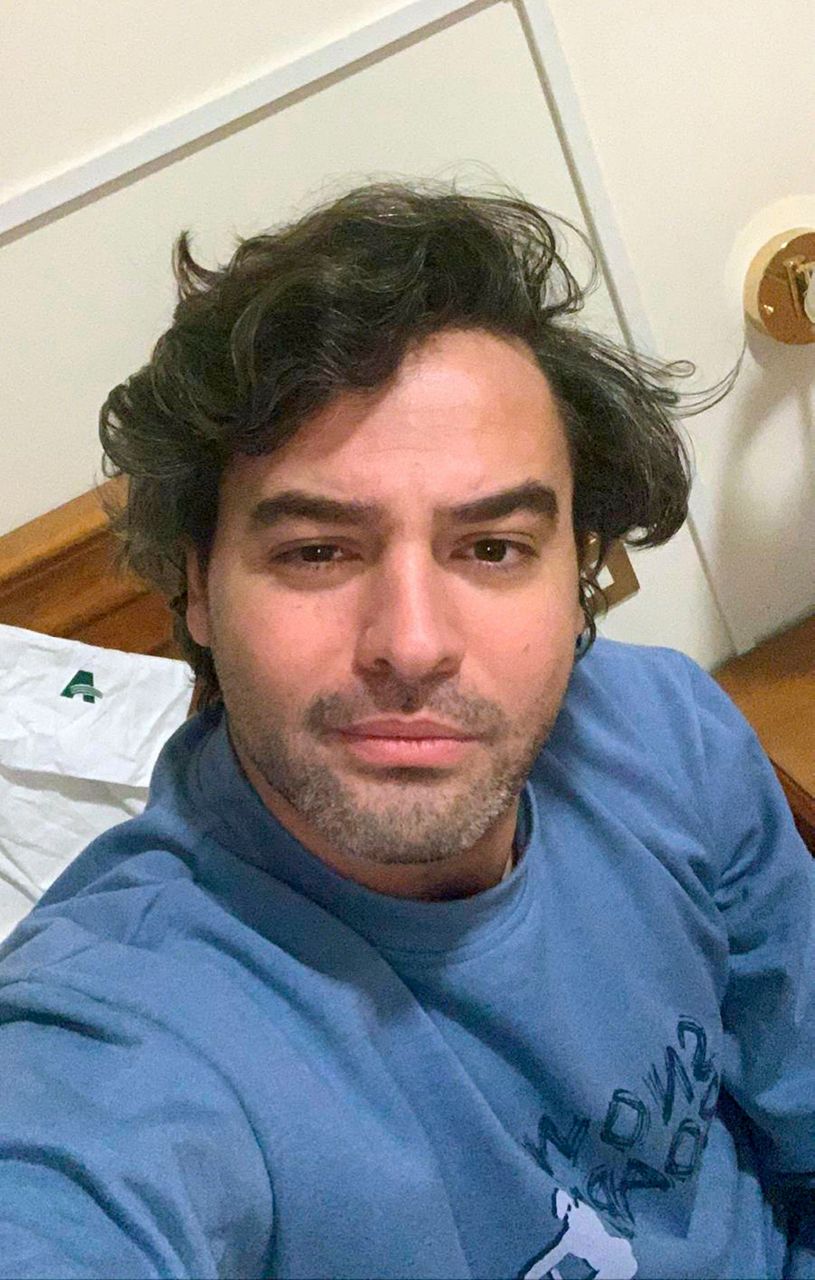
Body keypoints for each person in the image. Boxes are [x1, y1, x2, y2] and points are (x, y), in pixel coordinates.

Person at [0, 179, 811, 1280]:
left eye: (492, 548)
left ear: (579, 571)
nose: (413, 643)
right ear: (196, 587)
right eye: (316, 552)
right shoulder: (123, 1028)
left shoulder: (666, 734)